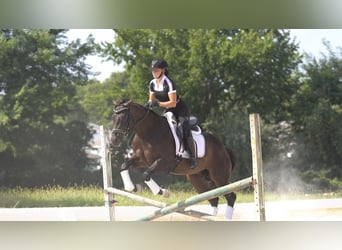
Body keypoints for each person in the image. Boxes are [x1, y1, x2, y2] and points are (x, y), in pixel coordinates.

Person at [145, 58, 197, 169]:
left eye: (157, 70)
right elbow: (151, 99)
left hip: (179, 109)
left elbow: (172, 103)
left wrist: (157, 104)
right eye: (153, 70)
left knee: (181, 127)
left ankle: (192, 157)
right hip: (168, 110)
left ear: (163, 70)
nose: (154, 72)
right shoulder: (152, 83)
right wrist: (148, 104)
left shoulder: (168, 82)